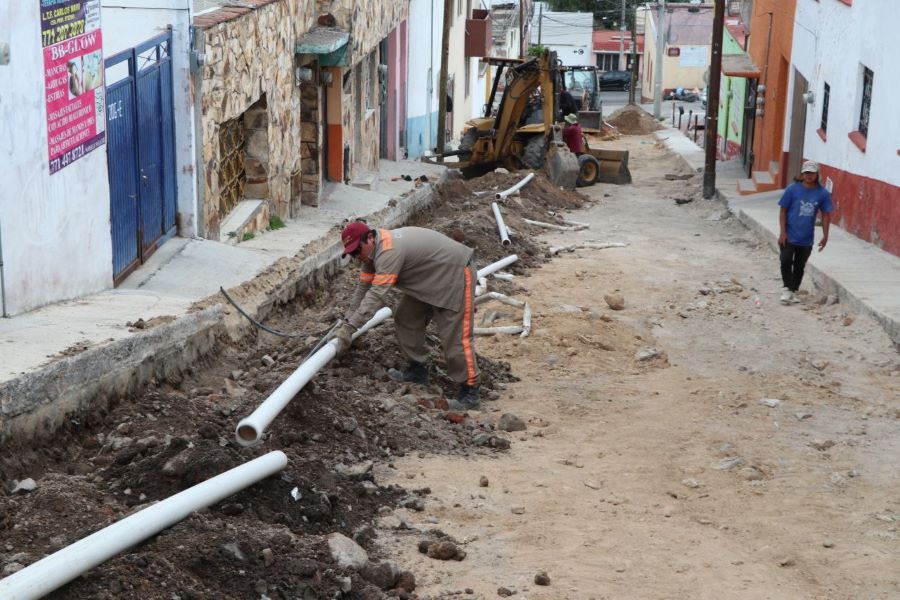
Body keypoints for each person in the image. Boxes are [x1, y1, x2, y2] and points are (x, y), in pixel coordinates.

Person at [332, 221, 481, 410]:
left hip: (454, 273)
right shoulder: (370, 256)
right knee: (406, 318)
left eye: (357, 250)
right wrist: (346, 322)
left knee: (455, 337)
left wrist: (351, 327)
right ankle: (418, 370)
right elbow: (363, 290)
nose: (356, 256)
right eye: (352, 253)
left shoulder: (388, 252)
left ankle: (470, 391)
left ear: (369, 238)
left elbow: (376, 294)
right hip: (427, 279)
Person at [777, 161, 833, 305]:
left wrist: (826, 236)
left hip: (806, 237)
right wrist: (782, 232)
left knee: (800, 266)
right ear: (802, 174)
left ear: (817, 174)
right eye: (806, 173)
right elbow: (783, 211)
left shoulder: (822, 194)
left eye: (812, 173)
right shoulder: (792, 190)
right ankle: (786, 289)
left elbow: (826, 215)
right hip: (789, 235)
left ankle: (793, 290)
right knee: (785, 261)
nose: (809, 176)